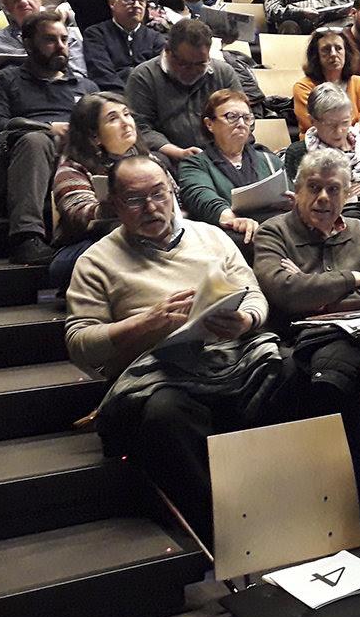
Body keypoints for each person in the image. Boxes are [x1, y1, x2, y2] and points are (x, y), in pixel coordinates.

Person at [65, 155, 279, 541]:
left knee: (299, 372)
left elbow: (254, 297)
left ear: (173, 191)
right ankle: (222, 529)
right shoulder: (96, 261)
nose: (151, 207)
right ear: (114, 204)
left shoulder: (211, 237)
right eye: (135, 199)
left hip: (227, 358)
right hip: (156, 374)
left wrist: (245, 320)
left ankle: (291, 502)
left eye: (159, 194)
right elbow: (80, 345)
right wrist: (146, 322)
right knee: (166, 413)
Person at [253, 148, 360, 414]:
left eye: (333, 189)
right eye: (314, 187)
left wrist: (314, 293)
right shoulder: (273, 232)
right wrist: (352, 278)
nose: (323, 198)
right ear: (298, 190)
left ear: (347, 194)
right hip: (300, 338)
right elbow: (285, 293)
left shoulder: (358, 230)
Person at [0, 11, 100, 265]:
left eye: (64, 39)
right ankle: (26, 237)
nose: (61, 47)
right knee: (35, 141)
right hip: (24, 157)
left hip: (77, 154)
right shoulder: (5, 79)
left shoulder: (86, 88)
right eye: (50, 40)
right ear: (28, 44)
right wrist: (48, 128)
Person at [49, 92, 160, 288]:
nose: (126, 123)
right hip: (89, 242)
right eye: (113, 119)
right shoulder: (72, 168)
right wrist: (117, 204)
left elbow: (176, 201)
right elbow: (79, 213)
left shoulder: (149, 162)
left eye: (127, 114)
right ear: (94, 136)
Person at [176, 89, 288, 246]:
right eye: (232, 117)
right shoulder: (195, 164)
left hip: (276, 228)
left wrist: (294, 202)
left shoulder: (269, 160)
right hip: (232, 237)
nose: (241, 124)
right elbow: (201, 196)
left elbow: (292, 195)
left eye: (247, 118)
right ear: (209, 124)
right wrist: (232, 219)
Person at [125, 18, 241, 164]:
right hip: (171, 157)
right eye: (184, 64)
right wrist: (178, 152)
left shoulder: (223, 73)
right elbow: (141, 128)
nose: (192, 71)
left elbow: (241, 115)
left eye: (200, 64)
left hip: (223, 151)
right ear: (167, 51)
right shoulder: (143, 76)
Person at [282, 84, 360, 200]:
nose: (339, 131)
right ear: (312, 121)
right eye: (330, 125)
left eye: (345, 122)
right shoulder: (299, 153)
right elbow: (297, 201)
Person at [290, 25, 360, 134]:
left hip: (358, 143)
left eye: (338, 48)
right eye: (326, 49)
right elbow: (316, 126)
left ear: (346, 53)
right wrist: (357, 126)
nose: (333, 54)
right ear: (316, 55)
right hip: (319, 146)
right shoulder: (304, 86)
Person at [82, 0, 166, 91]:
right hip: (111, 97)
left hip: (148, 98)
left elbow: (161, 75)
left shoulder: (156, 38)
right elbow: (101, 75)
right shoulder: (96, 34)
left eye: (141, 1)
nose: (137, 5)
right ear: (112, 3)